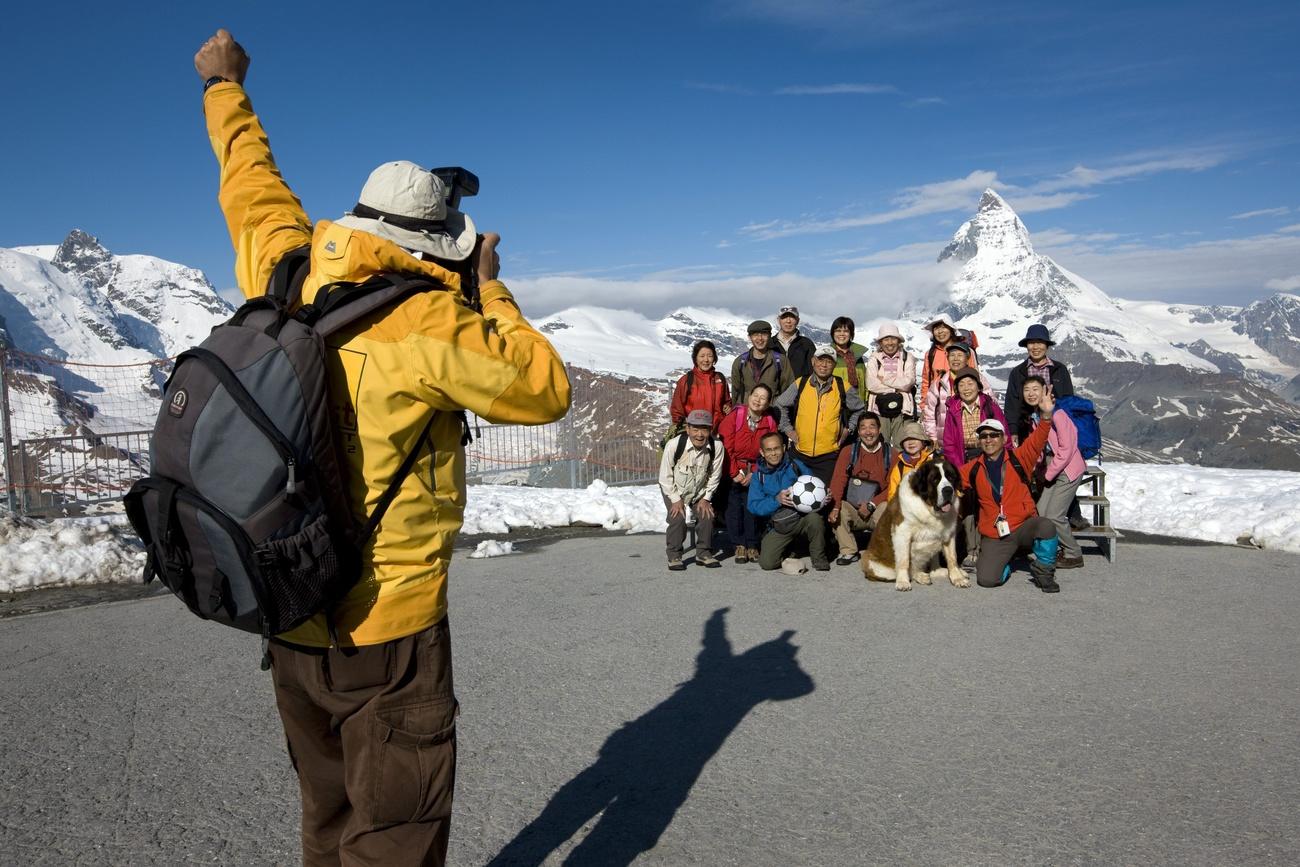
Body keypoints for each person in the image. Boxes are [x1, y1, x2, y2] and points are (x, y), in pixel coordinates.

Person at [194, 30, 571, 865]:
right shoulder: (429, 318)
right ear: (437, 243)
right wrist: (490, 286)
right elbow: (543, 386)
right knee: (395, 833)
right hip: (388, 631)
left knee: (326, 822)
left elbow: (251, 188)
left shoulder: (286, 269)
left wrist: (226, 89)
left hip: (290, 607)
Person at [960, 408, 1063, 593]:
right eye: (984, 436)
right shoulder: (972, 469)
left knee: (1046, 526)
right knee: (987, 580)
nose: (988, 439)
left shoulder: (1019, 458)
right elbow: (950, 480)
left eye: (994, 435)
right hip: (995, 533)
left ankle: (1044, 572)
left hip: (1023, 525)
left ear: (1004, 439)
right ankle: (1006, 563)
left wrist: (1046, 416)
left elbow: (1038, 439)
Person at [772, 344, 866, 484]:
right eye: (820, 360)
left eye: (828, 361)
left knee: (823, 497)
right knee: (792, 494)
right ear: (813, 361)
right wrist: (788, 430)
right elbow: (780, 404)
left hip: (828, 456)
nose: (824, 365)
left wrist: (848, 430)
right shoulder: (801, 383)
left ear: (834, 365)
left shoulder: (842, 386)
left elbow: (860, 409)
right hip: (799, 453)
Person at [1023, 376, 1087, 569]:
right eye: (1027, 390)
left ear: (1045, 390)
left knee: (1054, 516)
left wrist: (1047, 474)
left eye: (1036, 389)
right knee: (1041, 512)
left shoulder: (1058, 414)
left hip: (1068, 469)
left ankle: (1073, 553)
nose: (1031, 393)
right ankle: (1051, 548)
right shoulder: (1036, 416)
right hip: (1052, 468)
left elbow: (1067, 449)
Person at [747, 431, 829, 572]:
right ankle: (790, 549)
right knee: (767, 563)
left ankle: (819, 558)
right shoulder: (758, 476)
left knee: (815, 519)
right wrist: (776, 500)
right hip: (778, 526)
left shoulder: (795, 465)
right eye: (769, 450)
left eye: (777, 448)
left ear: (784, 448)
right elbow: (753, 506)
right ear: (762, 452)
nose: (774, 453)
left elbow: (814, 484)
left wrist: (824, 496)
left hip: (802, 519)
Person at [659, 410, 726, 571]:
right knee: (678, 517)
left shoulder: (716, 446)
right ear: (688, 429)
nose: (700, 434)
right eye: (695, 429)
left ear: (710, 430)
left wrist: (706, 498)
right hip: (674, 488)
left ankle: (703, 553)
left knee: (707, 515)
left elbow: (715, 475)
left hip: (700, 490)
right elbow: (664, 476)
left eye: (704, 429)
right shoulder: (674, 444)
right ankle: (674, 555)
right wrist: (676, 499)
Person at [718, 384, 779, 564]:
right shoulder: (734, 417)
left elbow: (770, 451)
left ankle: (752, 543)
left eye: (763, 398)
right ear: (749, 396)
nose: (758, 400)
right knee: (734, 507)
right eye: (755, 395)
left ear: (768, 403)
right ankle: (739, 544)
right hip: (733, 467)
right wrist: (734, 472)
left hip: (755, 469)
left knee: (752, 507)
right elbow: (726, 448)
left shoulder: (769, 422)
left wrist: (755, 472)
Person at [826, 413, 891, 565]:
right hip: (854, 508)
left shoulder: (890, 454)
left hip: (877, 509)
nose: (868, 432)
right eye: (863, 428)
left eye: (872, 427)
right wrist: (834, 508)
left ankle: (882, 551)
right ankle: (848, 551)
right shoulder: (849, 451)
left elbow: (894, 487)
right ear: (859, 432)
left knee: (889, 507)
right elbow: (838, 480)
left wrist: (872, 504)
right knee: (838, 508)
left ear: (879, 429)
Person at [1004, 324, 1075, 443]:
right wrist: (1013, 431)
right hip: (1026, 431)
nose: (1035, 347)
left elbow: (1069, 400)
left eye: (1040, 342)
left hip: (1056, 429)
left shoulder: (1060, 370)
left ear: (1047, 346)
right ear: (1026, 346)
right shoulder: (1017, 373)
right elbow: (1012, 405)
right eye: (1031, 343)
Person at [921, 343, 993, 446]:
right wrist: (933, 437)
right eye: (952, 355)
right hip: (947, 441)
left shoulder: (979, 379)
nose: (955, 359)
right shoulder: (940, 382)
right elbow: (929, 413)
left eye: (960, 355)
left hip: (977, 440)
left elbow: (991, 406)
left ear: (967, 358)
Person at [865, 322, 918, 447]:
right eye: (886, 339)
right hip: (879, 409)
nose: (889, 343)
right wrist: (897, 388)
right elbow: (871, 384)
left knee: (901, 445)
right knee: (881, 445)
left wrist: (884, 379)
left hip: (903, 409)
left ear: (899, 341)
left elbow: (909, 382)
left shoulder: (907, 357)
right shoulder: (874, 358)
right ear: (880, 343)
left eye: (893, 339)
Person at [942, 367, 1009, 465]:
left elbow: (1005, 436)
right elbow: (949, 444)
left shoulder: (990, 406)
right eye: (961, 385)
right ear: (957, 389)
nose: (966, 388)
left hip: (990, 459)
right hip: (963, 460)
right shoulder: (952, 410)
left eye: (970, 383)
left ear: (978, 387)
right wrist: (959, 467)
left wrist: (1004, 462)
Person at [668, 340, 730, 433]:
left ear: (714, 358)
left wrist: (728, 407)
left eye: (710, 356)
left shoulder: (720, 379)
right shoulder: (686, 380)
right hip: (693, 435)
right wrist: (683, 431)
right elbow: (677, 410)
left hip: (716, 434)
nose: (706, 360)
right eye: (702, 356)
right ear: (695, 359)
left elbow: (727, 402)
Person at [731, 320, 792, 405]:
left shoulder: (781, 361)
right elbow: (735, 391)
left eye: (764, 334)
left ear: (770, 336)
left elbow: (788, 391)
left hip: (772, 413)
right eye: (755, 334)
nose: (760, 338)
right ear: (749, 337)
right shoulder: (740, 362)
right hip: (746, 412)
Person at [919, 316, 976, 395]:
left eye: (944, 327)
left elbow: (975, 377)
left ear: (951, 329)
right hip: (937, 402)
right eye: (936, 328)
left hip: (961, 401)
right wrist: (924, 404)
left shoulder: (966, 351)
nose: (940, 331)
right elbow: (926, 381)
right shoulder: (930, 354)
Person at [885, 421, 935, 501]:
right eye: (906, 439)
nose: (911, 442)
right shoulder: (899, 467)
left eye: (915, 438)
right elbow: (892, 493)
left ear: (923, 442)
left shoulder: (931, 463)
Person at [829, 316, 869, 403]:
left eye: (846, 331)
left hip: (858, 405)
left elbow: (865, 383)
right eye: (838, 331)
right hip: (835, 405)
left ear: (851, 334)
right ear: (833, 333)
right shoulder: (827, 355)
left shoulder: (858, 356)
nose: (842, 334)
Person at [774, 305, 816, 378]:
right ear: (778, 320)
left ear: (798, 320)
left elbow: (813, 372)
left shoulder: (807, 344)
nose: (788, 321)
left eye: (792, 317)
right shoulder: (770, 344)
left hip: (800, 388)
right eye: (784, 317)